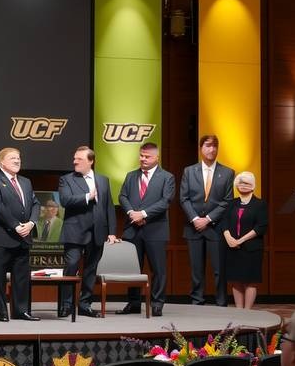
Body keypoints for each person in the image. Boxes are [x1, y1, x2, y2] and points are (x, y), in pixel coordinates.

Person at [57, 146, 119, 318]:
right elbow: (65, 200)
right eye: (74, 158)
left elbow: (109, 207)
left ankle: (85, 304)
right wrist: (87, 197)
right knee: (71, 266)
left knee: (91, 269)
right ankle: (66, 304)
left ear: (91, 161)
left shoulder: (103, 180)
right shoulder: (67, 179)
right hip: (75, 231)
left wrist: (112, 231)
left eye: (79, 159)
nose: (75, 161)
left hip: (98, 232)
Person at [117, 142, 175, 317]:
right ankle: (134, 303)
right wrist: (131, 213)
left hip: (156, 230)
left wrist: (142, 214)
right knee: (133, 269)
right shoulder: (131, 175)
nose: (143, 159)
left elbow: (166, 201)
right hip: (132, 229)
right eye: (141, 155)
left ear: (157, 157)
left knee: (158, 269)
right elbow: (122, 196)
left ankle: (157, 303)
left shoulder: (167, 177)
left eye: (147, 156)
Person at [0, 147, 40, 322]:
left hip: (24, 236)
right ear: (2, 163)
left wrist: (31, 223)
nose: (17, 160)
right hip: (2, 236)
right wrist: (16, 226)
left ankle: (21, 311)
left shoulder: (26, 181)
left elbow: (35, 203)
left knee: (22, 277)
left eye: (19, 158)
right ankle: (2, 311)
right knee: (0, 277)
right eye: (12, 158)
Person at [179, 134, 235, 307]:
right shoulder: (189, 171)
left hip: (216, 227)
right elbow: (184, 198)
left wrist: (208, 219)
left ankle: (221, 301)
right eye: (208, 146)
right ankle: (197, 300)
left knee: (219, 269)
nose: (212, 149)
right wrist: (196, 218)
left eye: (215, 146)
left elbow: (227, 201)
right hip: (193, 227)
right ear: (201, 148)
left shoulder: (228, 172)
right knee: (196, 269)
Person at [222, 171, 268, 309]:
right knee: (235, 281)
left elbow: (261, 226)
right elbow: (224, 222)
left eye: (247, 183)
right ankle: (239, 312)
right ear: (236, 186)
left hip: (251, 248)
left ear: (253, 186)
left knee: (250, 281)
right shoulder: (231, 203)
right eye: (240, 183)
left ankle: (247, 313)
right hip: (232, 248)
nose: (243, 186)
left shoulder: (260, 204)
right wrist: (229, 238)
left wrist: (240, 240)